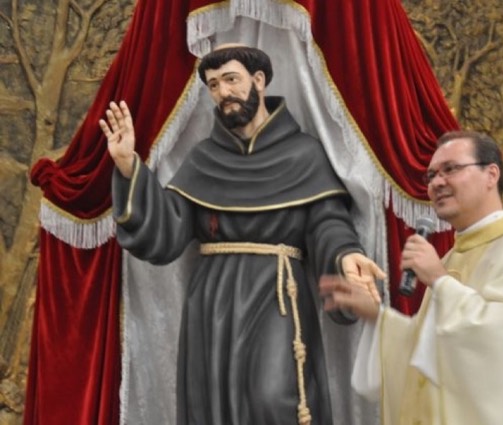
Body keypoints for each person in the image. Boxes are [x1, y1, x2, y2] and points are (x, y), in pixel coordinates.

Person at [98, 44, 384, 425]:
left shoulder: (303, 154)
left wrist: (346, 254)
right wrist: (128, 167)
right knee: (211, 403)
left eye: (231, 79)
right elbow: (167, 229)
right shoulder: (204, 159)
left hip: (277, 294)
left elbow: (326, 222)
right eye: (214, 85)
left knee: (274, 398)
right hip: (213, 301)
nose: (223, 92)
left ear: (259, 80)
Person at [320, 130, 503, 425]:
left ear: (491, 175)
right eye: (431, 175)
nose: (437, 182)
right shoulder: (450, 259)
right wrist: (378, 317)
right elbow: (430, 353)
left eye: (450, 169)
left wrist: (440, 280)